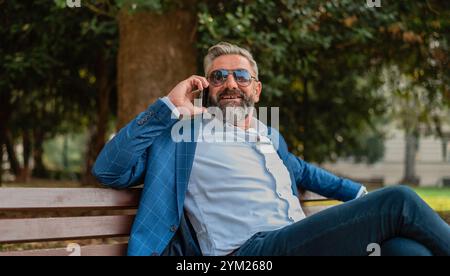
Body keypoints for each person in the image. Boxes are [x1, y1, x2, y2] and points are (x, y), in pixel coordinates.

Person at [92, 42, 450, 256]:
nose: (230, 83)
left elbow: (305, 171)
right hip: (248, 254)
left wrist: (354, 192)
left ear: (256, 89)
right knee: (398, 201)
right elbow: (108, 170)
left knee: (408, 251)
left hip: (297, 241)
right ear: (207, 89)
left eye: (241, 76)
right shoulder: (182, 135)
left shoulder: (269, 137)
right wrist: (167, 109)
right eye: (218, 76)